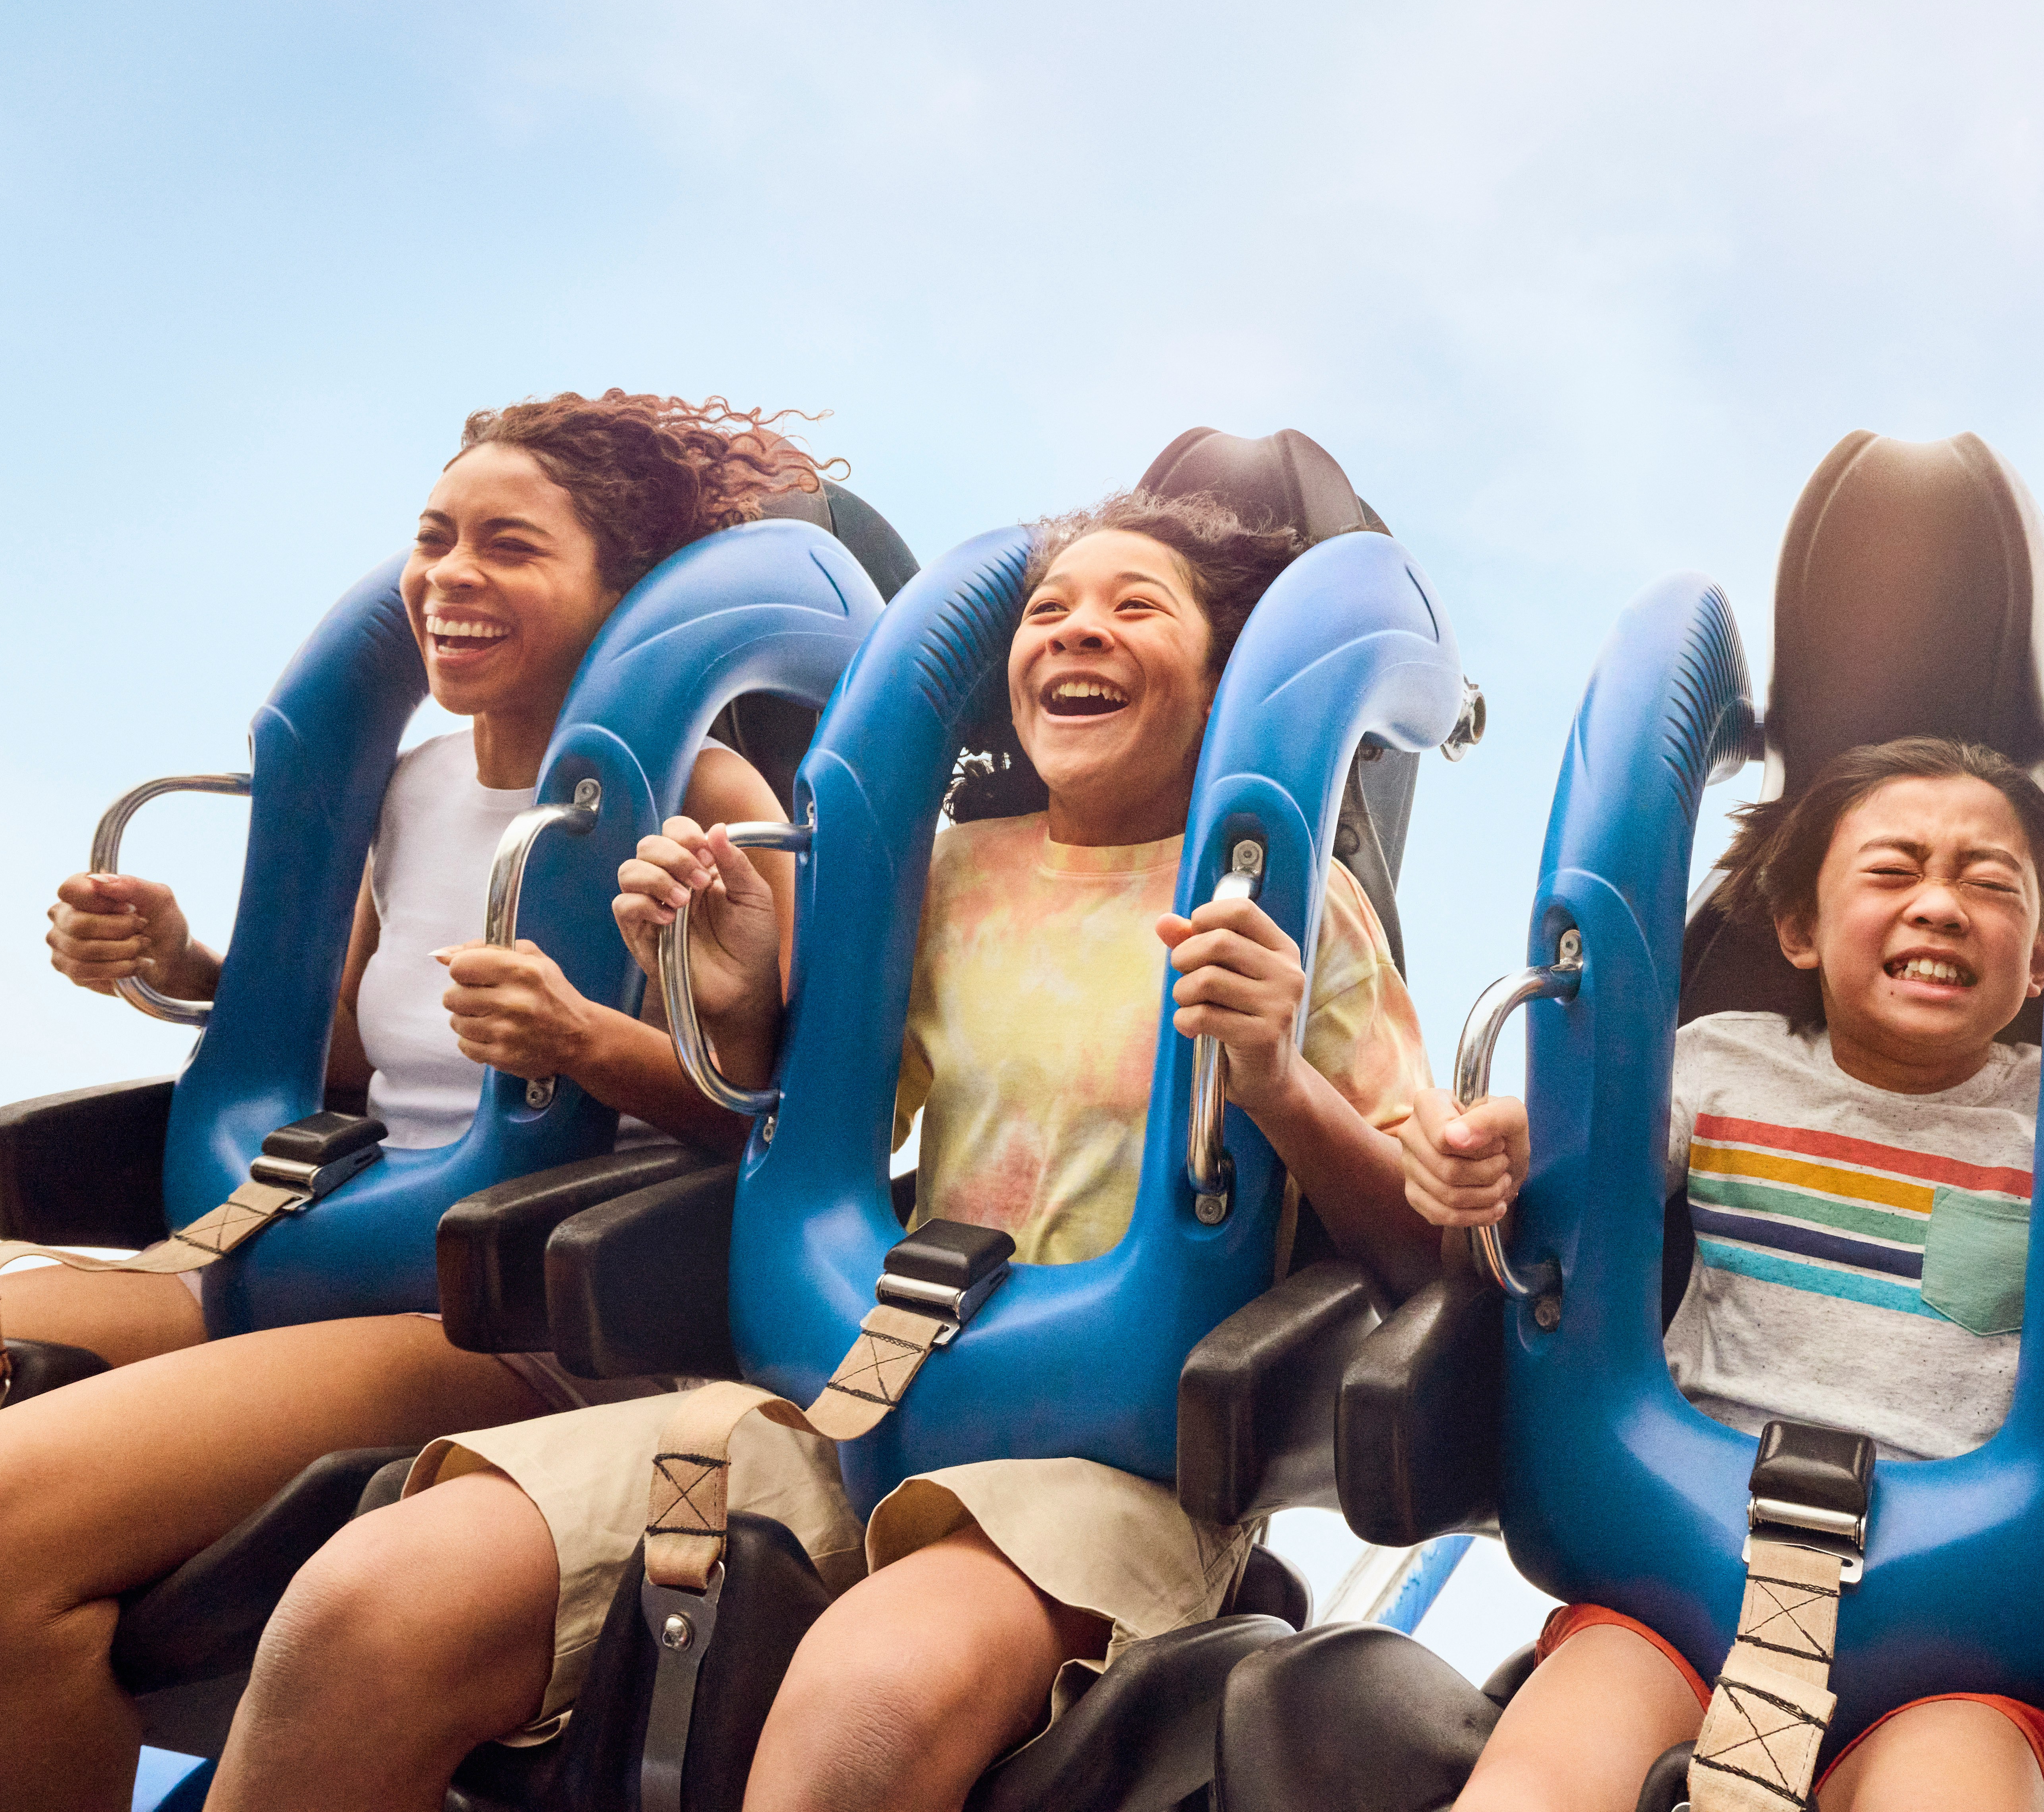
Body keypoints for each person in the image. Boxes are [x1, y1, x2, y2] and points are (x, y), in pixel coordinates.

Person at [203, 489, 1444, 1812]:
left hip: (1102, 1464)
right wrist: (736, 1004)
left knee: (864, 1707)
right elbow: (797, 1129)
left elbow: (1422, 1248)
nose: (1078, 633)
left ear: (1217, 685)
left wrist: (1275, 1085)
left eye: (1134, 609)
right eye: (1048, 611)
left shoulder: (1298, 920)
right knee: (364, 1604)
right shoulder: (951, 873)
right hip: (854, 1397)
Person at [0, 390, 826, 1812]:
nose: (450, 576)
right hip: (309, 1252)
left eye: (510, 546)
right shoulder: (414, 786)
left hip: (519, 1317)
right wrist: (170, 965)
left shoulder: (711, 801)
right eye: (434, 540)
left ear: (627, 595)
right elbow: (352, 1059)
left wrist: (587, 1041)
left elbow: (777, 1142)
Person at [1401, 736, 2044, 1812]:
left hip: (1963, 1646)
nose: (1941, 906)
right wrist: (1491, 1164)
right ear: (1800, 930)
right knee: (1534, 1788)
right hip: (1674, 1586)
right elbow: (1563, 1194)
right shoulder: (1716, 1064)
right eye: (1894, 870)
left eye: (1991, 882)